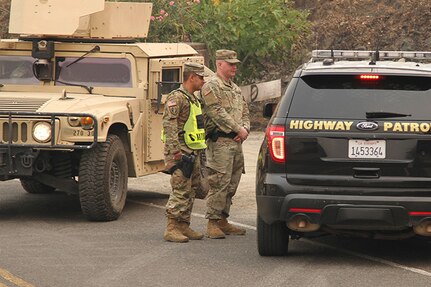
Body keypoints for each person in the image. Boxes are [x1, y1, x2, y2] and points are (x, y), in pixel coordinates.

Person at [201, 49, 250, 239]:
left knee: (232, 184)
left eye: (235, 64)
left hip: (236, 142)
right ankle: (212, 222)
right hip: (220, 141)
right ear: (219, 64)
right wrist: (238, 129)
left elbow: (244, 110)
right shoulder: (211, 86)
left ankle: (223, 219)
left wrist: (244, 129)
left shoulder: (234, 88)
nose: (234, 67)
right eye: (230, 64)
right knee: (219, 183)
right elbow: (216, 112)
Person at [161, 62, 208, 243]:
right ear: (192, 77)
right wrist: (175, 152)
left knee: (191, 189)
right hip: (181, 152)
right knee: (180, 189)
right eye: (201, 77)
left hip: (193, 151)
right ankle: (171, 227)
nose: (203, 81)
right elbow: (169, 125)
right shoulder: (177, 98)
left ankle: (183, 225)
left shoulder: (193, 98)